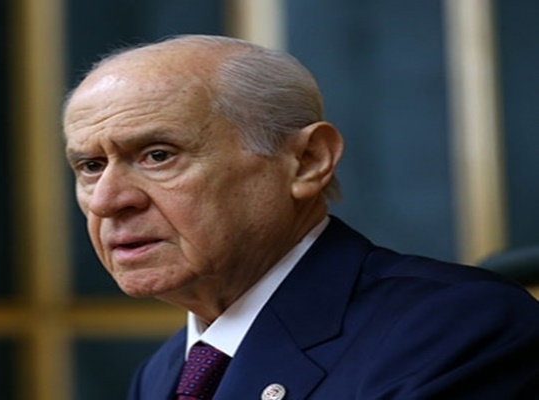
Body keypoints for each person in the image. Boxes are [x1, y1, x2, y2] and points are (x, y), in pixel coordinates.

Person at [62, 34, 539, 399]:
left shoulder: (458, 329)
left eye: (158, 155)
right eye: (91, 166)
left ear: (308, 161)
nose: (107, 201)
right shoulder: (165, 373)